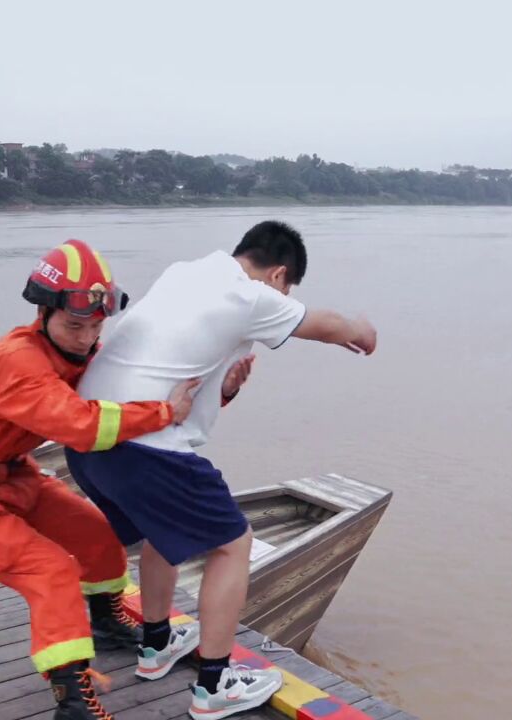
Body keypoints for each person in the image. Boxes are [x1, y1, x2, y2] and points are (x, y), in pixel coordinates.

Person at [65, 220, 377, 719]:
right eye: (286, 289)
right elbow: (331, 326)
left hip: (89, 441)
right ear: (278, 276)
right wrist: (362, 330)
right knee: (234, 544)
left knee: (157, 534)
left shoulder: (183, 274)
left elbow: (168, 367)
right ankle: (215, 684)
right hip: (147, 448)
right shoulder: (250, 296)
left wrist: (225, 387)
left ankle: (156, 644)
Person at [0, 239, 199, 720]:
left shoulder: (72, 353)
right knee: (51, 572)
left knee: (98, 540)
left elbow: (127, 381)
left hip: (16, 479)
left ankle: (104, 623)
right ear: (45, 312)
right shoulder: (19, 362)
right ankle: (72, 700)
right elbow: (85, 427)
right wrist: (164, 412)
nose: (87, 337)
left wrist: (216, 386)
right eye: (75, 325)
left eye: (96, 326)